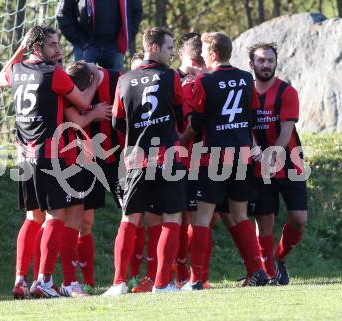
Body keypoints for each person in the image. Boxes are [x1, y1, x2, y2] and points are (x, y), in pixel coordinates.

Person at [0, 25, 108, 299]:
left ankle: (22, 280)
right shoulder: (53, 74)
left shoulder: (18, 70)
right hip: (49, 154)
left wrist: (20, 48)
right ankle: (45, 280)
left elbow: (1, 78)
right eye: (52, 45)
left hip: (25, 155)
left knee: (32, 217)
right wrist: (96, 82)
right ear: (37, 47)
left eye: (58, 45)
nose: (58, 50)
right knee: (56, 216)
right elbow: (81, 102)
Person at [181, 32, 268, 289]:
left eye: (206, 53)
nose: (204, 57)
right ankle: (257, 271)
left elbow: (195, 123)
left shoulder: (204, 82)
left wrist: (180, 137)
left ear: (214, 54)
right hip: (241, 155)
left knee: (202, 218)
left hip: (213, 155)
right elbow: (252, 116)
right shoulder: (245, 79)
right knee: (241, 215)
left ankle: (197, 279)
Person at [104, 26, 186, 295]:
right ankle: (162, 284)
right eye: (169, 48)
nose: (172, 53)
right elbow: (180, 113)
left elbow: (117, 122)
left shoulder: (124, 80)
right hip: (168, 156)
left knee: (129, 219)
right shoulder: (170, 76)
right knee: (171, 216)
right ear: (154, 48)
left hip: (136, 159)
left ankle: (118, 284)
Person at [248, 42, 308, 285]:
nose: (266, 65)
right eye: (261, 60)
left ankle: (279, 257)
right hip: (258, 165)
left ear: (276, 63)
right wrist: (255, 150)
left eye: (270, 60)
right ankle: (269, 273)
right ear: (251, 64)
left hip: (289, 162)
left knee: (299, 219)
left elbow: (286, 131)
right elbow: (247, 126)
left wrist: (271, 156)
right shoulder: (245, 93)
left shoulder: (287, 92)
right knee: (264, 221)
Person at [64, 60, 122, 289]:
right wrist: (94, 114)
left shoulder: (117, 79)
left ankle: (135, 278)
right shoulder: (66, 84)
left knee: (134, 214)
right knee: (84, 222)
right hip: (85, 159)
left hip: (117, 157)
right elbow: (75, 120)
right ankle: (87, 283)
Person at [56, 0, 143, 71]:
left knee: (114, 87)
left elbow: (137, 11)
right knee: (81, 86)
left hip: (115, 47)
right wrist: (80, 40)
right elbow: (62, 13)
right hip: (85, 46)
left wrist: (127, 37)